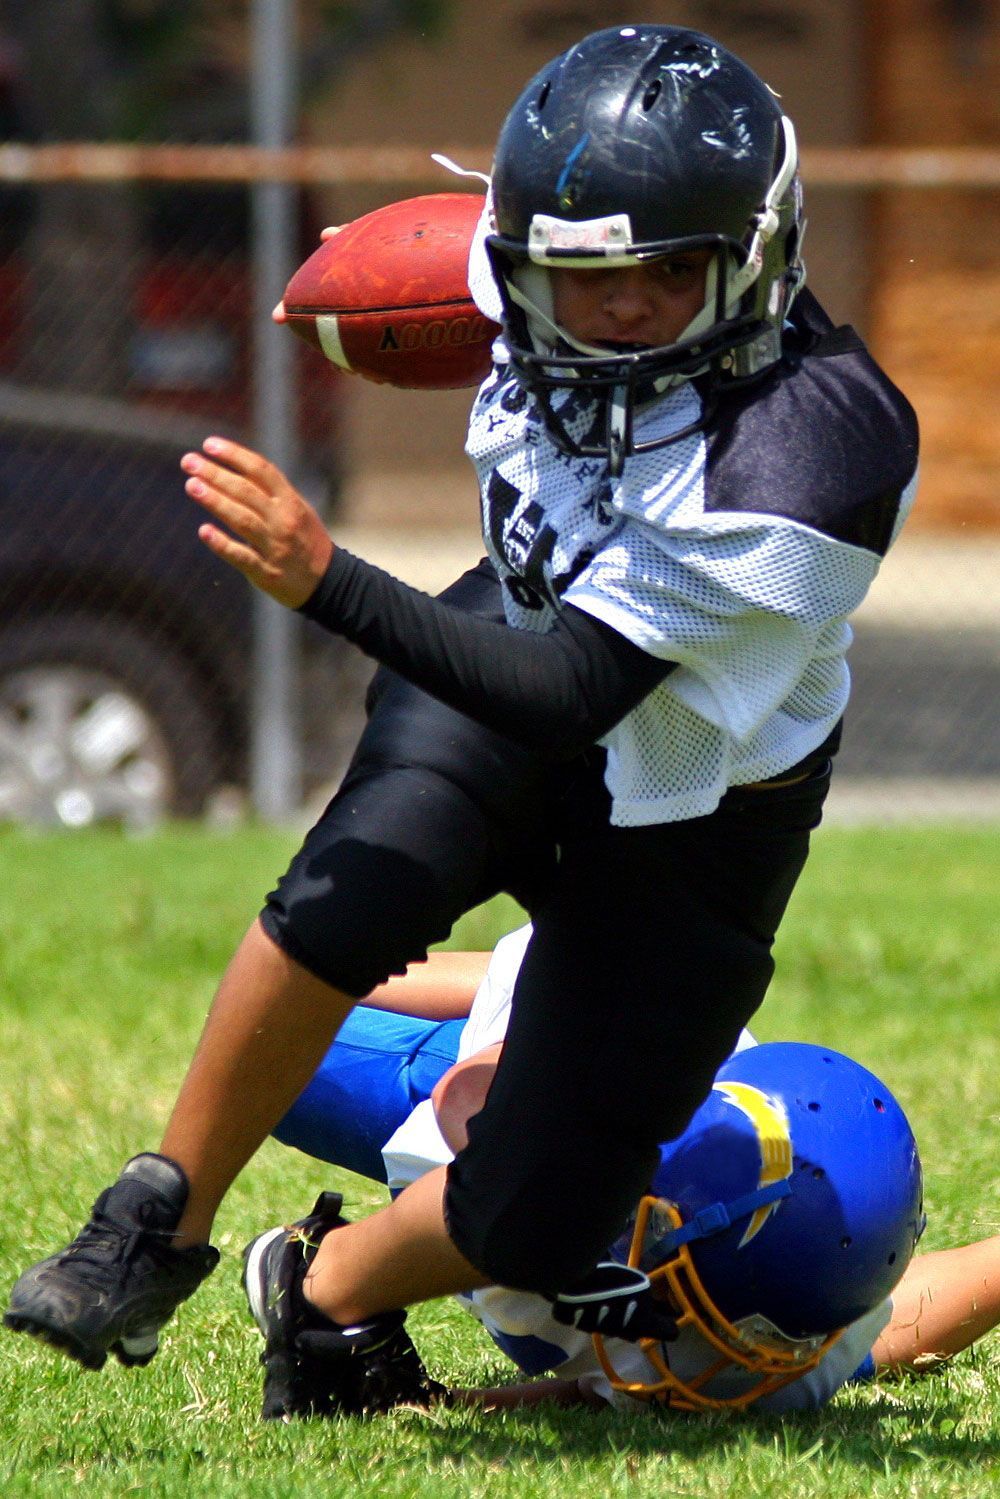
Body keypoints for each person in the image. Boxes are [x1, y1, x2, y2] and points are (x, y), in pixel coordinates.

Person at [5, 24, 921, 1414]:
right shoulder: (520, 273)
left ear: (755, 255)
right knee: (357, 876)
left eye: (669, 273)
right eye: (583, 277)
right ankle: (152, 1220)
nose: (621, 308)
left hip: (694, 785)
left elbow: (578, 696)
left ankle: (323, 1287)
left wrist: (328, 580)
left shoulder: (812, 444)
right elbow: (462, 277)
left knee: (541, 1214)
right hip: (519, 630)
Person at [251, 928, 998, 1417]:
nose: (719, 1354)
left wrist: (456, 1403)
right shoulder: (605, 1086)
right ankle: (311, 1273)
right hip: (516, 1052)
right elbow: (466, 1096)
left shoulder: (788, 1331)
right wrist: (328, 970)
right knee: (276, 1040)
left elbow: (901, 1321)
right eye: (691, 1299)